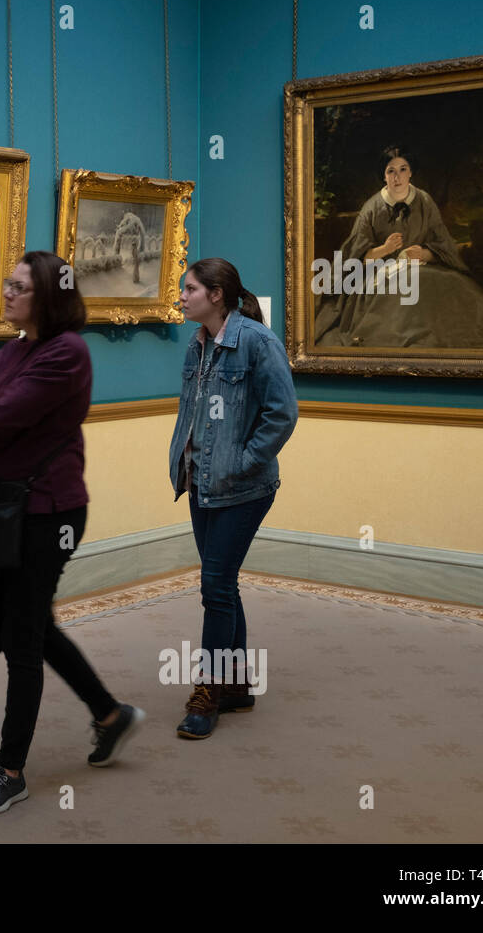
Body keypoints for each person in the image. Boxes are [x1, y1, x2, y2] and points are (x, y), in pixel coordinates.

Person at [0, 251, 142, 817]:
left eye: (18, 287)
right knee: (28, 627)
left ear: (49, 296)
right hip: (10, 509)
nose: (5, 294)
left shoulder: (68, 352)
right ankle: (110, 714)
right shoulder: (14, 350)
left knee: (23, 639)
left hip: (50, 514)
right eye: (6, 285)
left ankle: (9, 770)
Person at [168, 258, 298, 738]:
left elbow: (282, 413)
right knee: (223, 584)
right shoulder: (197, 344)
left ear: (216, 294)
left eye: (190, 288)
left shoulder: (258, 343)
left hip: (243, 488)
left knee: (214, 586)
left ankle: (208, 690)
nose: (182, 296)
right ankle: (238, 683)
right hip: (201, 482)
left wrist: (243, 462)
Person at [315, 145, 483, 348]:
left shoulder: (424, 201)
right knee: (407, 288)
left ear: (411, 172)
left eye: (403, 169)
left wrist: (425, 253)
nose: (397, 177)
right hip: (379, 274)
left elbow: (444, 244)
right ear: (384, 176)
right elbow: (354, 257)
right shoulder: (372, 208)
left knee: (447, 282)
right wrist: (384, 250)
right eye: (391, 171)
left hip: (422, 268)